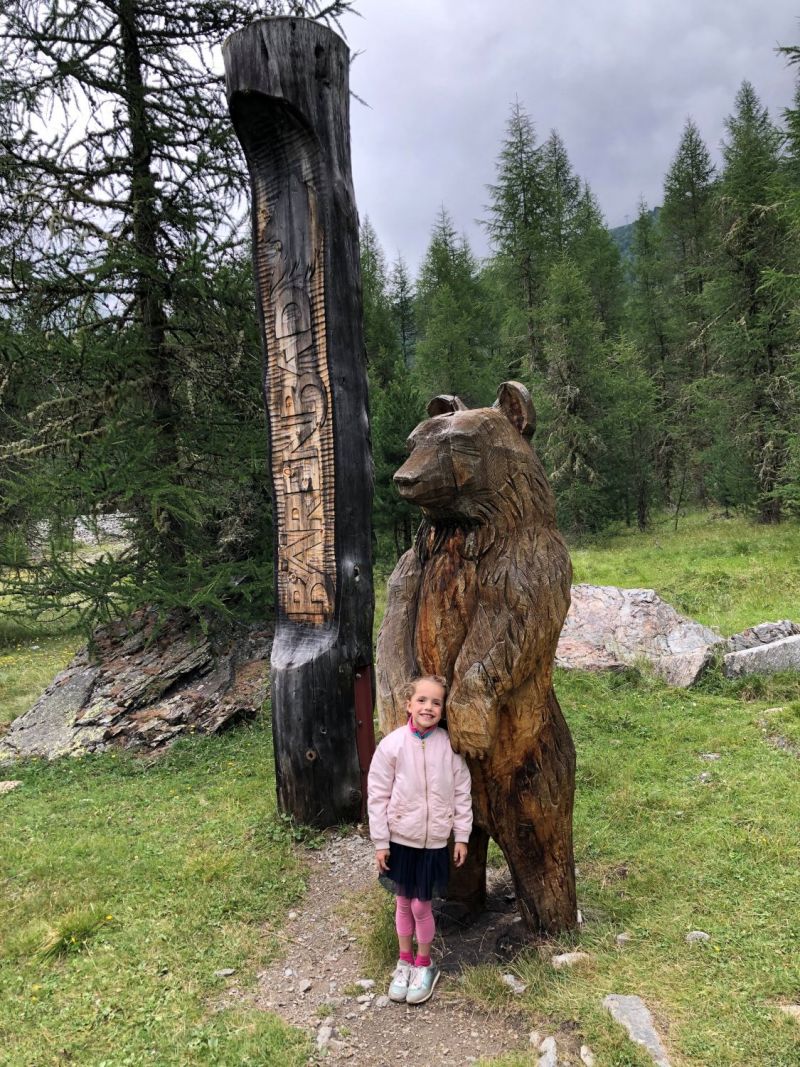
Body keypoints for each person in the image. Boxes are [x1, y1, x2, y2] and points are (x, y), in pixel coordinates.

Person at [367, 675, 473, 1005]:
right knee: (402, 902)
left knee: (420, 904)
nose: (429, 707)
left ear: (443, 709)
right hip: (401, 840)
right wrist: (381, 841)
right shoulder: (393, 745)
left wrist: (462, 835)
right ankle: (404, 962)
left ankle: (425, 963)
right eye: (422, 700)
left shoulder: (449, 747)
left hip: (434, 843)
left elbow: (461, 793)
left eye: (436, 702)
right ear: (408, 705)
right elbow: (377, 794)